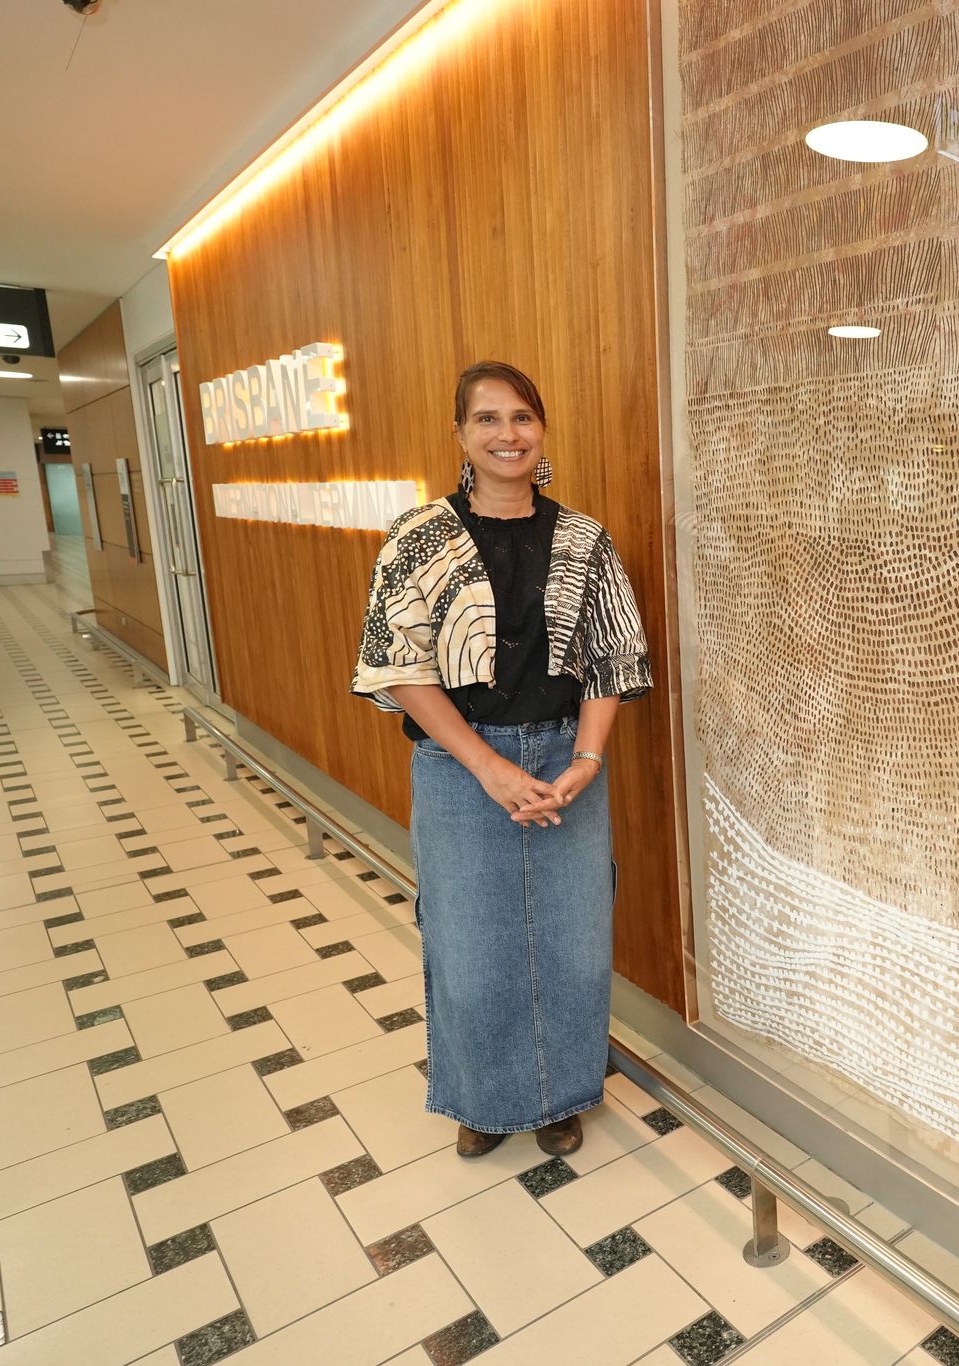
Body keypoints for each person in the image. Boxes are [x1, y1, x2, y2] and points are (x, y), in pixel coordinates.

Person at [351, 360, 650, 1157]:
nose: (507, 434)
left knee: (571, 943)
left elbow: (612, 661)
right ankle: (482, 1103)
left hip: (564, 762)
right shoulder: (417, 538)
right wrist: (487, 765)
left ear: (541, 431)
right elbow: (399, 666)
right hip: (459, 770)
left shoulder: (585, 540)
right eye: (488, 420)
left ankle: (560, 1096)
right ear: (460, 435)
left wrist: (587, 759)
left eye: (522, 418)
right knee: (472, 947)